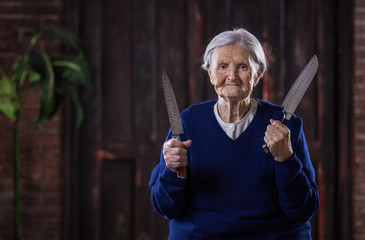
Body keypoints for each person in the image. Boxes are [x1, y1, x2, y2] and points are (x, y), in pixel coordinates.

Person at [149, 28, 319, 239]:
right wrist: (171, 170)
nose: (232, 76)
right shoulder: (187, 123)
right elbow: (166, 207)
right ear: (210, 73)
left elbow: (302, 211)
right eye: (222, 67)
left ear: (257, 75)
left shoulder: (286, 127)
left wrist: (286, 159)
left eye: (242, 67)